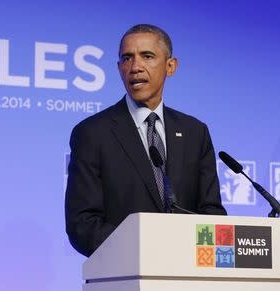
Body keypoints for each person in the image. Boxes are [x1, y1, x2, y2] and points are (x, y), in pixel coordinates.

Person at [64, 24, 227, 257]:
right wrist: (145, 252)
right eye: (127, 58)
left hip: (188, 275)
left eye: (147, 56)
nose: (135, 67)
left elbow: (211, 213)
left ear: (171, 66)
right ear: (119, 67)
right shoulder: (92, 133)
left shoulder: (194, 132)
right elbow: (83, 223)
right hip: (125, 274)